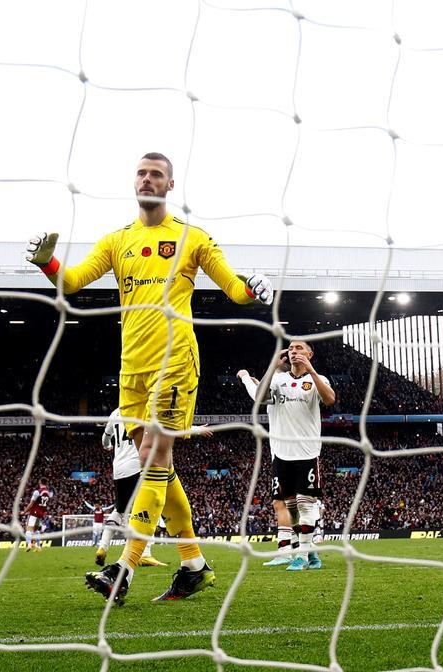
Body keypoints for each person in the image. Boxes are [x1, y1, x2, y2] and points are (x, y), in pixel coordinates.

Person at [27, 152, 273, 604]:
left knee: (153, 455)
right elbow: (74, 282)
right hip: (132, 368)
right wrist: (49, 264)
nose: (147, 178)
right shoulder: (117, 241)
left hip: (175, 362)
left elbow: (231, 286)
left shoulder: (191, 237)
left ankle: (123, 568)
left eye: (155, 173)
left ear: (169, 185)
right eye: (141, 172)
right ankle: (194, 564)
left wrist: (252, 289)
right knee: (156, 466)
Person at [238, 340, 335, 571]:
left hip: (307, 451)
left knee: (305, 503)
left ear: (310, 354)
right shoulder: (278, 380)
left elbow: (330, 399)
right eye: (290, 348)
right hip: (281, 454)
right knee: (290, 505)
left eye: (299, 348)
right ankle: (311, 553)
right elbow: (259, 398)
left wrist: (311, 370)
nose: (293, 351)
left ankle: (300, 556)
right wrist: (272, 367)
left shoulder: (317, 379)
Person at [95, 408, 166, 568]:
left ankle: (102, 546)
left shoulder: (115, 414)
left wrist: (108, 446)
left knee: (119, 510)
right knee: (149, 504)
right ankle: (145, 553)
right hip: (137, 465)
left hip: (118, 469)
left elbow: (105, 441)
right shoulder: (141, 408)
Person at [24, 481, 52, 552]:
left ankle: (29, 545)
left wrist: (24, 511)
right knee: (36, 530)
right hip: (41, 513)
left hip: (34, 513)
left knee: (28, 530)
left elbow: (31, 504)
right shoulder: (48, 493)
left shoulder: (37, 492)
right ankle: (38, 546)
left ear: (40, 483)